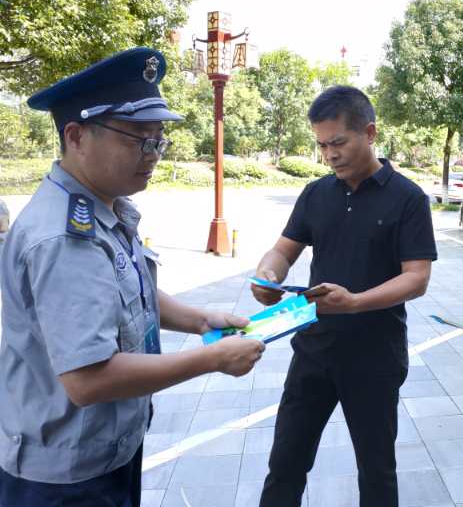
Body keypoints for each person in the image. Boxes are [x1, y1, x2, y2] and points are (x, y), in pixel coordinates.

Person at [0, 47, 265, 507]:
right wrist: (212, 359)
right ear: (76, 136)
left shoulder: (103, 207)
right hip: (65, 477)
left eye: (158, 140)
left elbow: (128, 291)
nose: (153, 155)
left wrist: (200, 321)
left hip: (103, 450)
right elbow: (89, 379)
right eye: (138, 139)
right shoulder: (65, 237)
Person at [252, 85, 437, 507]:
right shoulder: (316, 193)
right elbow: (283, 250)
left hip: (375, 357)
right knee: (285, 464)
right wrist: (268, 275)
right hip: (312, 350)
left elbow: (417, 278)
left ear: (369, 133)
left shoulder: (407, 198)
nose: (329, 155)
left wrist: (355, 302)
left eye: (338, 143)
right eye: (321, 145)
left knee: (376, 472)